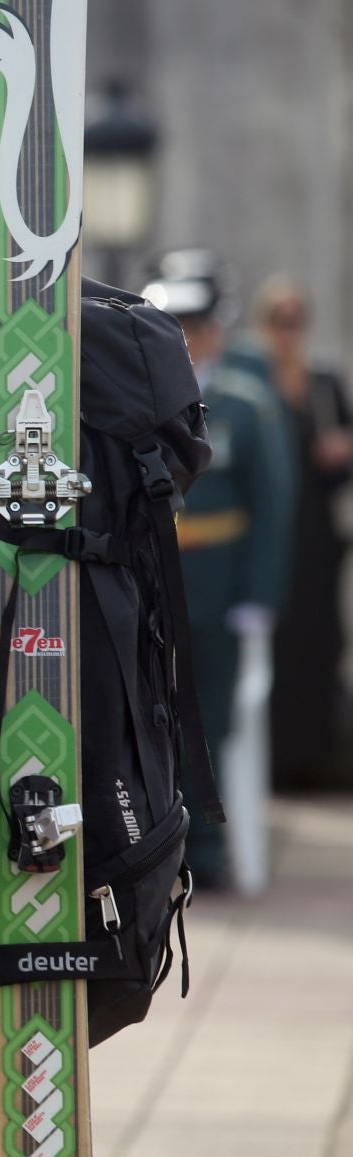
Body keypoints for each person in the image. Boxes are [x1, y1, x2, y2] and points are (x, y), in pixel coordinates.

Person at [143, 271, 294, 888]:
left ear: (211, 331)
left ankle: (204, 851)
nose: (183, 340)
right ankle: (159, 846)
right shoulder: (143, 398)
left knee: (211, 721)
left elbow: (273, 504)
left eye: (190, 328)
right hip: (156, 577)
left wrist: (258, 596)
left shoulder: (243, 402)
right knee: (156, 712)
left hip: (217, 584)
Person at [254, 276, 352, 789]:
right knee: (269, 643)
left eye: (295, 321)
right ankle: (269, 761)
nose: (287, 332)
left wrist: (340, 451)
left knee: (317, 644)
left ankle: (314, 760)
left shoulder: (323, 382)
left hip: (315, 540)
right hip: (266, 537)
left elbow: (340, 470)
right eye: (278, 321)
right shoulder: (253, 382)